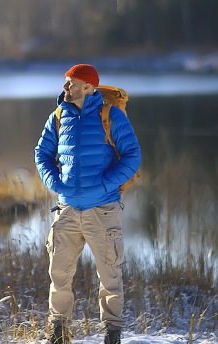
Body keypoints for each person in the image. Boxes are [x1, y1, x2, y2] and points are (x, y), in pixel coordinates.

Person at [34, 64, 141, 344]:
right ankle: (58, 331)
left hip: (103, 211)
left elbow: (132, 156)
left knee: (110, 276)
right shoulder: (58, 117)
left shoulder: (111, 116)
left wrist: (107, 185)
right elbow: (41, 153)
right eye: (66, 82)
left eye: (71, 83)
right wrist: (55, 184)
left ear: (88, 87)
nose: (66, 87)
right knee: (59, 275)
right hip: (67, 211)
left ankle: (112, 333)